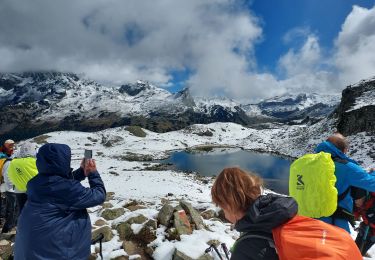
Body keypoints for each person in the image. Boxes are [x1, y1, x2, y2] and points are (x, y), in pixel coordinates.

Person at [14, 143, 106, 260]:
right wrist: (92, 173)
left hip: (29, 251)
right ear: (63, 162)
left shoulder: (35, 182)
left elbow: (58, 184)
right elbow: (99, 195)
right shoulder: (66, 189)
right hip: (56, 253)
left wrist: (82, 172)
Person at [211, 167, 297, 260]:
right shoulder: (282, 215)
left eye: (223, 208)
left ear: (230, 206)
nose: (225, 215)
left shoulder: (245, 249)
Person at [315, 133, 375, 233]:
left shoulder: (307, 163)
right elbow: (372, 184)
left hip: (306, 219)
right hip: (333, 224)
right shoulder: (346, 167)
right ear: (343, 150)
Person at [7, 142, 38, 214]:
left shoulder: (13, 162)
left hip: (19, 191)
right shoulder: (36, 161)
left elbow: (10, 175)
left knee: (22, 212)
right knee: (34, 212)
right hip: (33, 191)